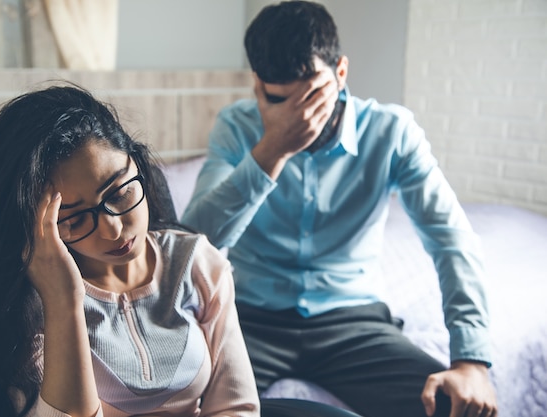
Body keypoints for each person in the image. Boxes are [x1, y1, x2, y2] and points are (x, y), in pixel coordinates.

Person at [181, 2, 498, 417]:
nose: (300, 119)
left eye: (312, 97)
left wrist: (471, 360)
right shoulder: (236, 126)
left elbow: (451, 240)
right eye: (280, 102)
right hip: (250, 320)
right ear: (259, 84)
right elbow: (190, 246)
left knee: (452, 408)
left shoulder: (391, 132)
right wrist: (272, 149)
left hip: (353, 323)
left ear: (341, 72)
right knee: (184, 407)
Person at [0, 85, 261, 417]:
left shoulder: (196, 263)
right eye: (76, 217)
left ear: (138, 165)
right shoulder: (25, 305)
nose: (114, 228)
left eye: (119, 193)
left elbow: (237, 406)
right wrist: (63, 299)